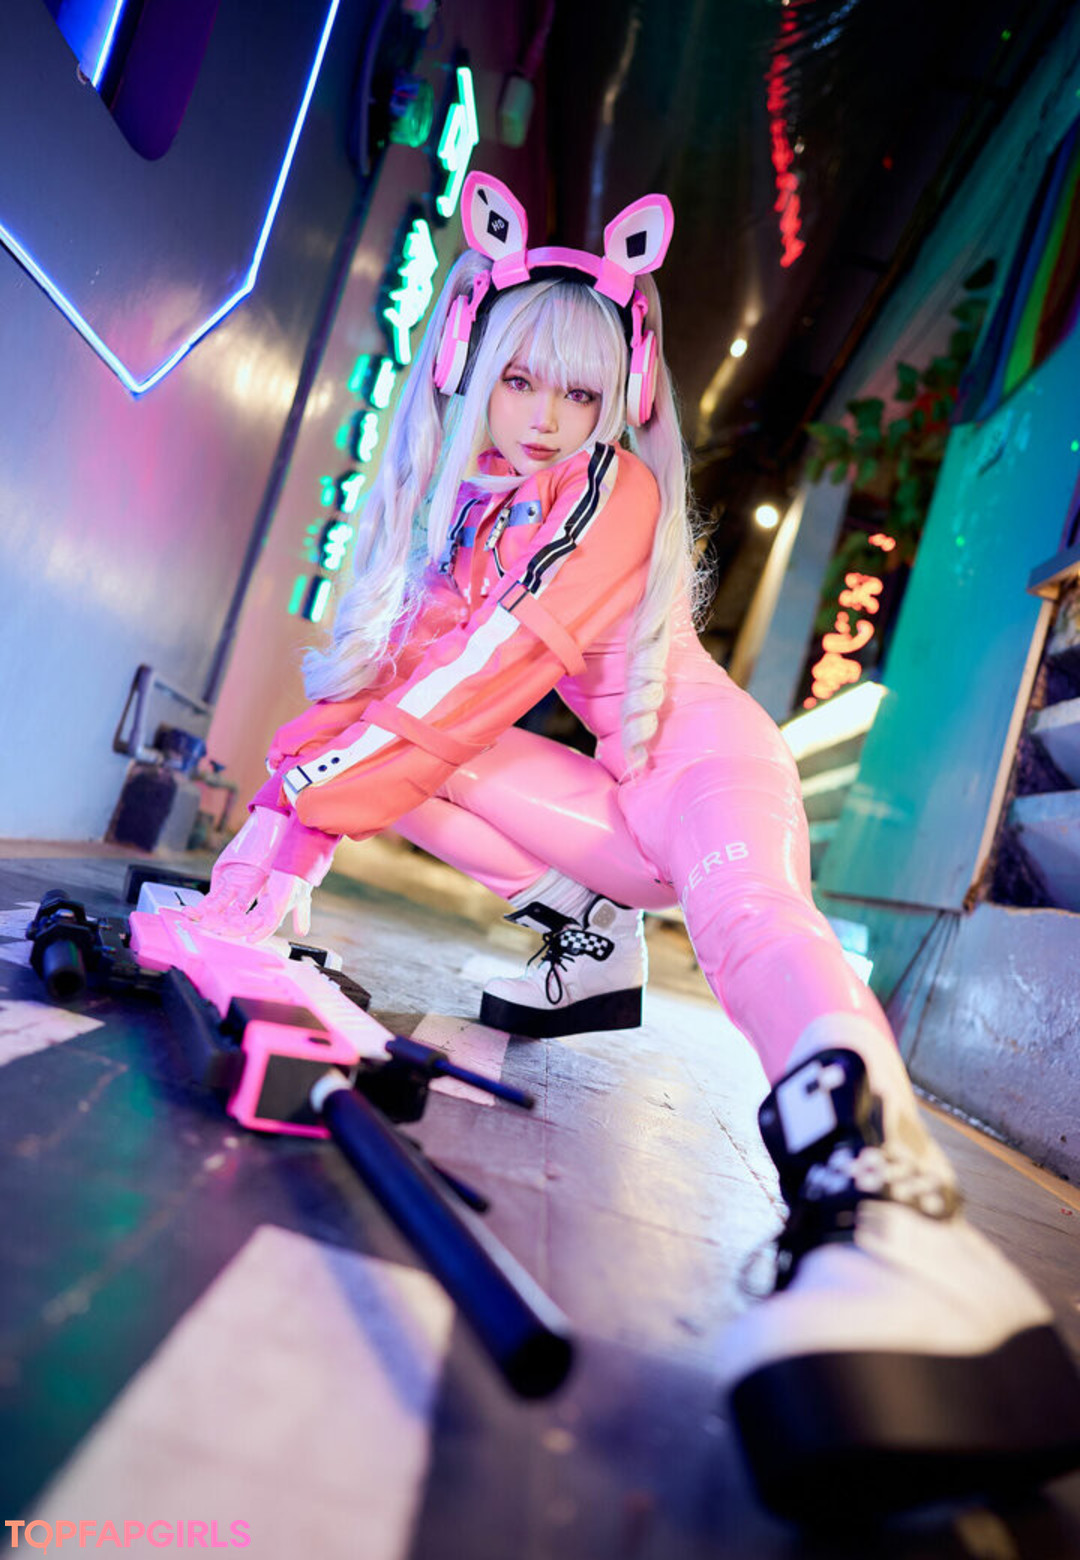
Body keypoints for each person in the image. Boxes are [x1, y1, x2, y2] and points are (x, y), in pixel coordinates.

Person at [188, 172, 1080, 1520]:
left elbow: (466, 692)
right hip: (616, 814)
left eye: (581, 393)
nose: (548, 417)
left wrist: (294, 810)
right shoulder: (478, 507)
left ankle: (894, 1211)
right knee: (391, 753)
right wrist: (267, 875)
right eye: (523, 383)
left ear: (621, 402)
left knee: (747, 918)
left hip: (709, 774)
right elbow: (388, 699)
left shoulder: (612, 497)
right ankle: (588, 932)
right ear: (474, 367)